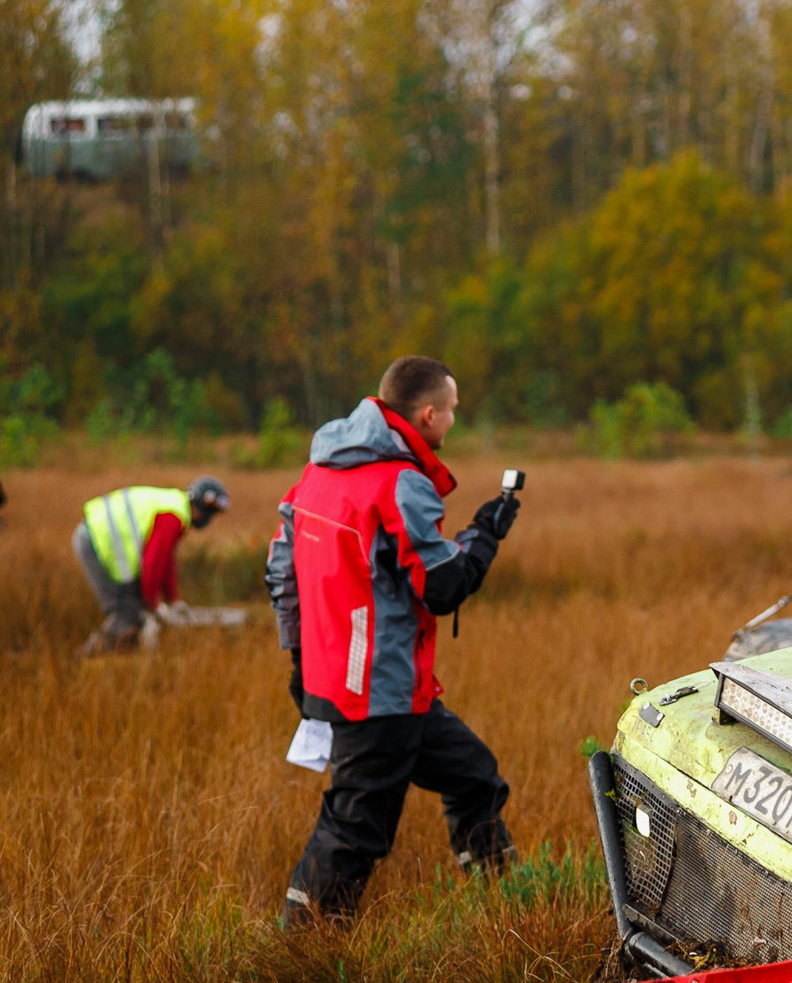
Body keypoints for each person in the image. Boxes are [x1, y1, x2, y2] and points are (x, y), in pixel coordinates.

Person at [264, 356, 523, 927]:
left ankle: (505, 902)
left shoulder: (318, 473)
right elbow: (441, 586)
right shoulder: (398, 482)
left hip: (362, 683)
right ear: (428, 415)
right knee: (356, 827)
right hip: (377, 692)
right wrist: (484, 535)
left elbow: (282, 572)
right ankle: (302, 949)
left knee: (474, 774)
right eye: (452, 411)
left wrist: (301, 661)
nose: (453, 422)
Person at [72, 477, 230, 654]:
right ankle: (87, 659)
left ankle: (125, 657)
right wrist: (152, 603)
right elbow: (153, 563)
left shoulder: (175, 509)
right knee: (126, 612)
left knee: (134, 609)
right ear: (201, 506)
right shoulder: (172, 517)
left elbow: (165, 560)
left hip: (96, 537)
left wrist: (173, 600)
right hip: (95, 541)